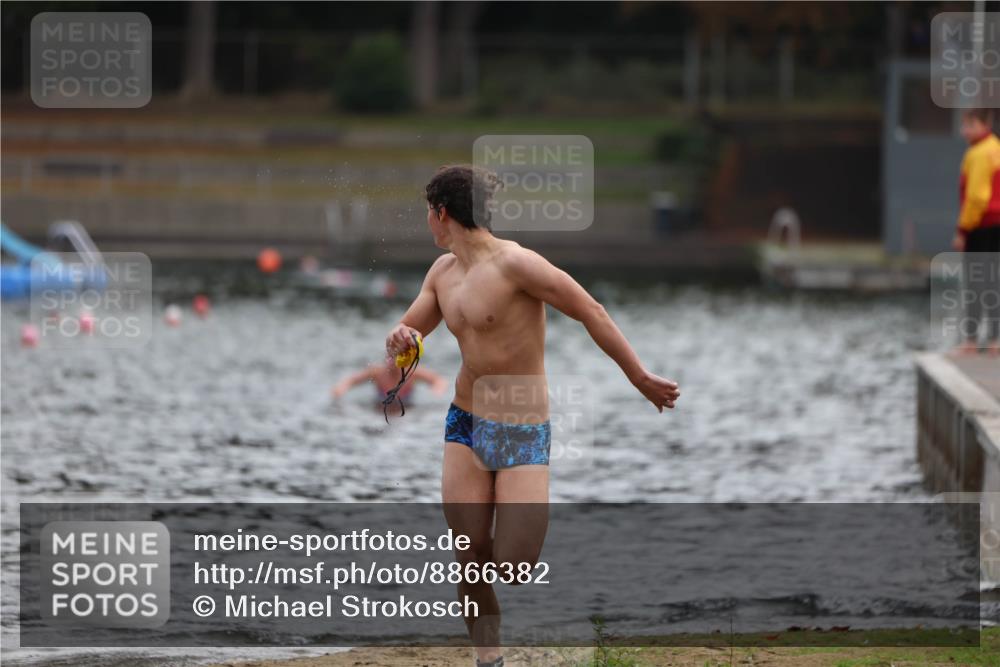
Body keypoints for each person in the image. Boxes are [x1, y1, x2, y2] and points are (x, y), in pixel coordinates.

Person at [384, 165, 681, 667]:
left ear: (441, 213)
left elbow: (591, 310)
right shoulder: (441, 275)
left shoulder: (517, 265)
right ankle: (490, 661)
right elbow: (408, 338)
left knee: (514, 567)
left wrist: (639, 378)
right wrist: (399, 341)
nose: (427, 225)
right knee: (469, 557)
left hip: (521, 426)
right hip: (465, 422)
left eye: (426, 215)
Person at [954, 108, 1000, 356]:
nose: (964, 131)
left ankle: (970, 341)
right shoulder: (996, 147)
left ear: (984, 124)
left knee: (974, 283)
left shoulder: (979, 153)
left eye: (969, 125)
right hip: (997, 225)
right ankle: (994, 339)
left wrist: (962, 230)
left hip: (981, 225)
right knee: (993, 281)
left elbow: (977, 197)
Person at [331, 357, 449, 411]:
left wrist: (437, 391)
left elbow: (439, 380)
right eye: (390, 357)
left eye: (396, 358)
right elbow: (351, 380)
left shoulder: (412, 372)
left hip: (407, 408)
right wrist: (341, 388)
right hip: (380, 408)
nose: (392, 362)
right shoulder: (378, 372)